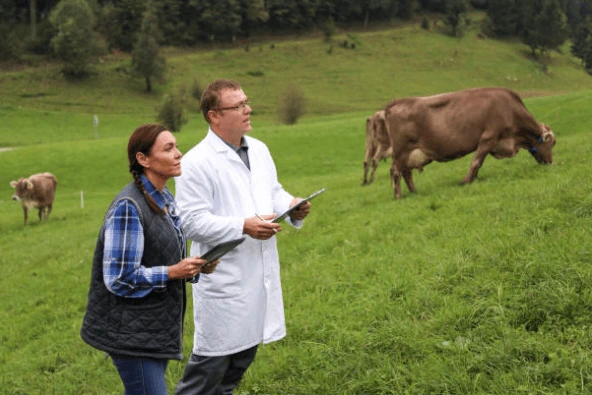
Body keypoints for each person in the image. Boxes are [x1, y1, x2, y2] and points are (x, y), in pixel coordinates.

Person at [174, 79, 312, 395]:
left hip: (257, 275)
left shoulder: (259, 149)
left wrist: (290, 207)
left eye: (246, 102)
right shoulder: (195, 163)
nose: (248, 109)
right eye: (238, 105)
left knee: (237, 367)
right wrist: (243, 226)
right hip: (223, 279)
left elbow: (271, 192)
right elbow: (190, 222)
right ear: (214, 116)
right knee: (207, 372)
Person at [80, 123, 219, 395]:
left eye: (177, 146)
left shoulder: (165, 200)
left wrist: (194, 267)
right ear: (143, 159)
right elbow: (119, 279)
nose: (179, 153)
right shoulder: (129, 208)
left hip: (152, 330)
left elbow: (164, 257)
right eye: (168, 148)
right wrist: (172, 272)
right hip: (130, 336)